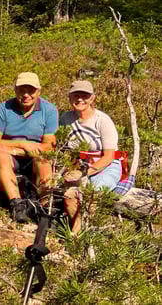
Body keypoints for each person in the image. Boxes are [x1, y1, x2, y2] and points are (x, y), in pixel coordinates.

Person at [0, 72, 59, 223]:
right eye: (22, 90)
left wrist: (17, 149)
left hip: (34, 156)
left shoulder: (49, 110)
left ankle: (45, 209)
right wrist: (22, 144)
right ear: (15, 90)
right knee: (0, 155)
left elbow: (48, 146)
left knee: (44, 161)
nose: (26, 95)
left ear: (39, 91)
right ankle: (17, 205)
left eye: (31, 90)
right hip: (12, 156)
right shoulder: (4, 108)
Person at [60, 80, 122, 233]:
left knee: (91, 194)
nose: (80, 99)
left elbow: (109, 156)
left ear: (92, 98)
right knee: (69, 196)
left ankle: (76, 236)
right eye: (76, 95)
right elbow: (63, 149)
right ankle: (76, 230)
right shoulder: (65, 119)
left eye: (85, 95)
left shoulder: (102, 121)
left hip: (107, 165)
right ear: (69, 97)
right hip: (78, 164)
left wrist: (84, 173)